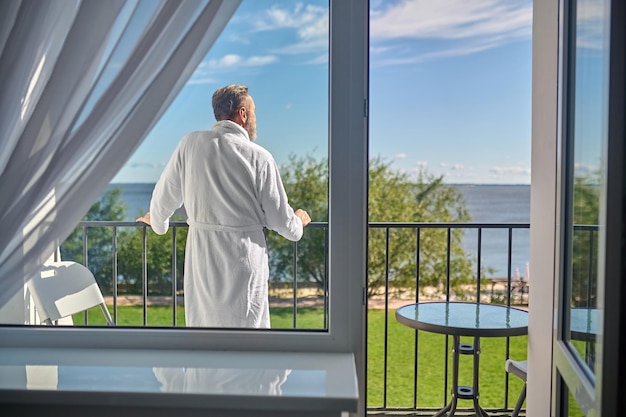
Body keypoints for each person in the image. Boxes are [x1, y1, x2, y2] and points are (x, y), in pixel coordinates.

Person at [136, 84, 310, 328]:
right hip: (244, 262)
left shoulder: (190, 144)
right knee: (246, 335)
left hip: (202, 259)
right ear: (243, 114)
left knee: (204, 332)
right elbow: (282, 222)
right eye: (254, 111)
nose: (255, 118)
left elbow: (164, 198)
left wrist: (157, 222)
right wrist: (298, 222)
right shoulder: (259, 157)